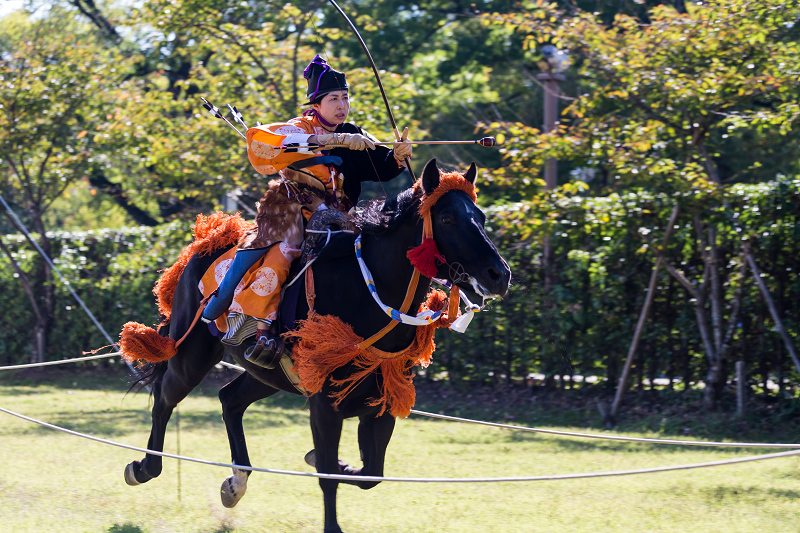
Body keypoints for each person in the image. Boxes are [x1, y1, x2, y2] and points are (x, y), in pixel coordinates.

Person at [200, 55, 412, 367]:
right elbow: (264, 142)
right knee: (282, 254)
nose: (342, 105)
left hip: (338, 219)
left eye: (345, 98)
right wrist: (332, 140)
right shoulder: (300, 128)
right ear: (316, 103)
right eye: (334, 99)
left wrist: (396, 156)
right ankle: (260, 329)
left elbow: (376, 166)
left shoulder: (353, 131)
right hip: (292, 211)